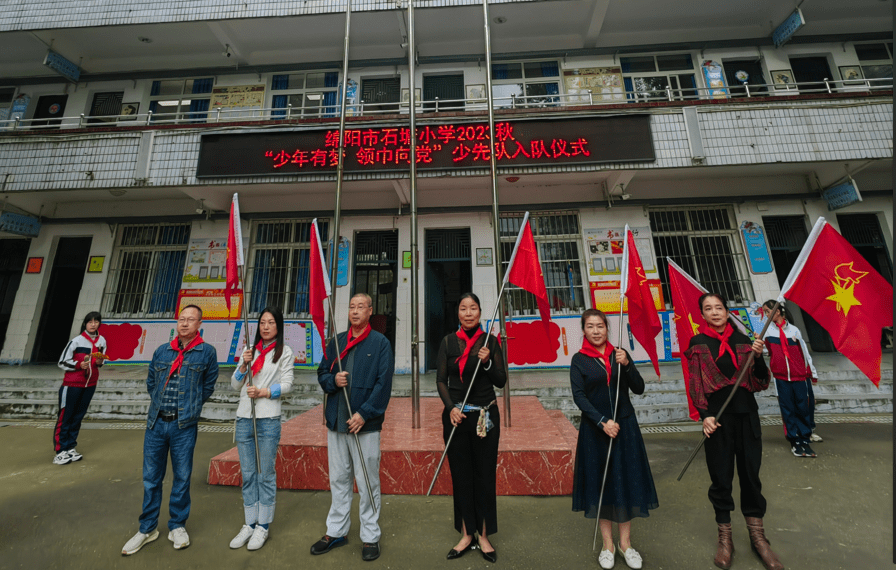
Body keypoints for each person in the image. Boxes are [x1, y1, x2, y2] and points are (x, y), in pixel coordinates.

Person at [686, 293, 782, 570]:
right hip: (717, 421)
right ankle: (725, 539)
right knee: (721, 478)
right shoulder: (698, 344)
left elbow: (760, 381)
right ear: (702, 315)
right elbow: (695, 385)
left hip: (746, 416)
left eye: (719, 308)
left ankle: (758, 538)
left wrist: (759, 357)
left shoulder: (745, 342)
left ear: (727, 312)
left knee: (751, 476)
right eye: (708, 309)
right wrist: (705, 416)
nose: (714, 312)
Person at [121, 305, 219, 556]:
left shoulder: (206, 352)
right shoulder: (162, 351)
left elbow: (207, 387)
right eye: (181, 319)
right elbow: (151, 382)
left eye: (191, 320)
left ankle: (177, 525)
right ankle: (147, 528)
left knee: (182, 477)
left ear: (199, 325)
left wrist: (190, 409)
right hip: (156, 424)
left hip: (183, 425)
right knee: (151, 478)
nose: (185, 323)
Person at [570, 309, 657, 570]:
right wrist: (602, 422)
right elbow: (579, 397)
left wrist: (628, 365)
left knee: (626, 482)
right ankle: (608, 545)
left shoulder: (619, 354)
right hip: (597, 432)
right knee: (603, 485)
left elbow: (639, 388)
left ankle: (626, 544)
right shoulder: (579, 360)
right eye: (590, 326)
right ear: (583, 330)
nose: (596, 331)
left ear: (607, 328)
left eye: (600, 326)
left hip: (625, 428)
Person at [311, 293, 393, 562]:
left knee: (367, 482)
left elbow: (384, 385)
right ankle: (336, 531)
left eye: (361, 307)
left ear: (370, 311)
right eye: (352, 307)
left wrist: (364, 414)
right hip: (336, 421)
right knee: (338, 479)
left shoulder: (380, 343)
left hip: (364, 427)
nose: (355, 311)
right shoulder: (336, 342)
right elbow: (322, 375)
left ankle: (370, 536)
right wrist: (333, 379)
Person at [435, 292, 506, 564]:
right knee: (462, 476)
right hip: (456, 418)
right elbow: (441, 379)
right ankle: (466, 533)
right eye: (463, 308)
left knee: (485, 475)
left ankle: (484, 534)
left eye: (473, 308)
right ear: (458, 313)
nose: (468, 313)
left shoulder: (490, 342)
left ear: (480, 312)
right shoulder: (448, 342)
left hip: (485, 417)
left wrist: (487, 362)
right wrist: (451, 407)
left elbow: (501, 380)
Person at [229, 306, 294, 551]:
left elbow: (288, 385)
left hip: (268, 419)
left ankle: (263, 526)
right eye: (262, 322)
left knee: (265, 473)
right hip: (245, 417)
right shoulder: (249, 351)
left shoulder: (284, 352)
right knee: (248, 474)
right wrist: (243, 366)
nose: (265, 327)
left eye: (271, 322)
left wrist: (265, 392)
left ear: (278, 326)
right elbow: (235, 385)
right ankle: (249, 523)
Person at [761, 300, 820, 458]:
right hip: (781, 378)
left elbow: (805, 354)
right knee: (788, 409)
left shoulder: (794, 330)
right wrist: (759, 343)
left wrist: (812, 372)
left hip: (799, 377)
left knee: (803, 407)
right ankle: (794, 441)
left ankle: (804, 439)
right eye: (765, 312)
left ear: (777, 312)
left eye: (767, 311)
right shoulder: (767, 332)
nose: (766, 315)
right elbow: (767, 352)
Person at [54, 311, 107, 465]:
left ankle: (70, 447)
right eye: (90, 322)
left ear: (99, 324)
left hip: (90, 385)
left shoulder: (102, 340)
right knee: (66, 417)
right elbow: (62, 362)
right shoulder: (76, 341)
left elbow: (102, 360)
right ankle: (60, 451)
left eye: (96, 321)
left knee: (78, 417)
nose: (93, 324)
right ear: (85, 323)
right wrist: (78, 365)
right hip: (72, 385)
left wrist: (99, 362)